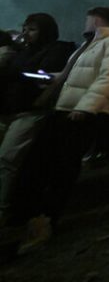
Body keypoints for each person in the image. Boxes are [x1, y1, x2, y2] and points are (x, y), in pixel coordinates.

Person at [9, 7, 109, 251]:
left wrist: (86, 107)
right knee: (39, 164)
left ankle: (44, 222)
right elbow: (73, 75)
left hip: (81, 114)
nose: (84, 23)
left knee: (61, 170)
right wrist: (49, 77)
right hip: (64, 110)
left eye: (87, 19)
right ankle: (26, 219)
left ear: (96, 20)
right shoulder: (88, 46)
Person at [0, 14, 76, 230]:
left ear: (46, 31)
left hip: (31, 112)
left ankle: (3, 210)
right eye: (25, 28)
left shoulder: (57, 49)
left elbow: (43, 76)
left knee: (6, 160)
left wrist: (16, 73)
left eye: (32, 29)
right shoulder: (22, 52)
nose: (26, 33)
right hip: (9, 111)